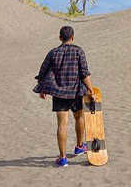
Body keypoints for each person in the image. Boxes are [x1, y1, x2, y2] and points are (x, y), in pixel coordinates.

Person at [33, 25, 94, 167]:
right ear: (72, 37)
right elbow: (84, 73)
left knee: (62, 125)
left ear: (60, 38)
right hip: (76, 92)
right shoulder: (78, 51)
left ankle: (63, 158)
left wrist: (42, 89)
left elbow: (42, 72)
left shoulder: (53, 53)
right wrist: (91, 89)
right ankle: (79, 146)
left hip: (59, 93)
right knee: (79, 118)